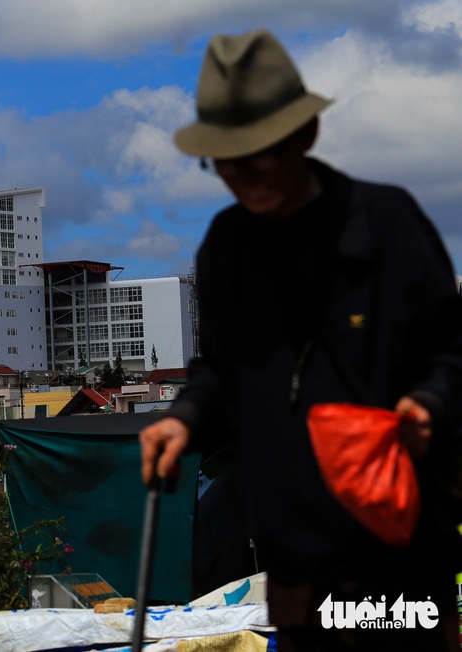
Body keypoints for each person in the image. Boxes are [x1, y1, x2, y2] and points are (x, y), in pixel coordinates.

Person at [139, 29, 462, 651]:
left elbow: (454, 349)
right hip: (293, 558)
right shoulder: (227, 247)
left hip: (394, 547)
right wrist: (183, 420)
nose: (239, 176)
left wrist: (431, 403)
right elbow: (220, 372)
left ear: (303, 138)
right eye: (224, 162)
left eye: (255, 155)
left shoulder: (386, 224)